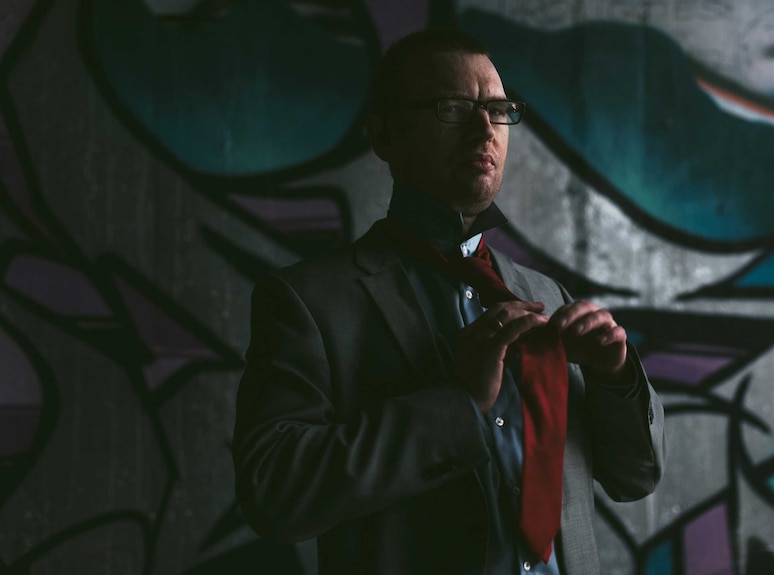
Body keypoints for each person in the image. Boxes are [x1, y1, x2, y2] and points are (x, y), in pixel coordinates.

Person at [233, 28, 665, 575]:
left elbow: (636, 478)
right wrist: (458, 403)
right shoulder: (308, 302)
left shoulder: (543, 296)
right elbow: (274, 495)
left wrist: (615, 376)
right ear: (385, 134)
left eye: (498, 108)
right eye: (453, 107)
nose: (485, 127)